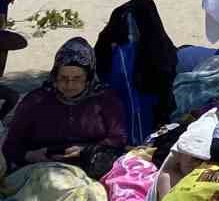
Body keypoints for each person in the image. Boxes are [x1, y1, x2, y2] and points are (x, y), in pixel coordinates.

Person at [1, 37, 128, 174]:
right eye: (63, 78)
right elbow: (11, 145)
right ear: (55, 76)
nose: (70, 85)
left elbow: (118, 138)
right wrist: (29, 156)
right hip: (42, 171)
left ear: (89, 78)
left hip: (92, 168)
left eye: (77, 79)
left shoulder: (105, 100)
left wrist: (87, 150)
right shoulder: (35, 101)